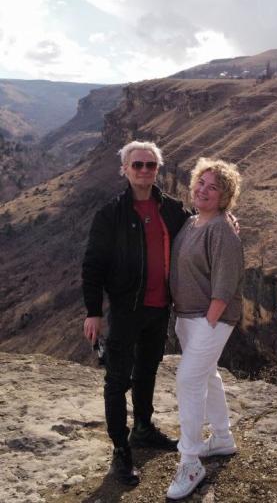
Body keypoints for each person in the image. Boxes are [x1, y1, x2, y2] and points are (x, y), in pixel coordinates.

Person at [82, 140, 191, 486]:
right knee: (117, 380)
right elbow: (93, 265)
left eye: (150, 165)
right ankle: (120, 449)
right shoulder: (110, 214)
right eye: (137, 164)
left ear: (158, 170)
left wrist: (225, 217)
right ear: (125, 170)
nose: (144, 170)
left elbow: (199, 226)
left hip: (160, 309)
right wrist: (93, 312)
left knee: (147, 370)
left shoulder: (172, 209)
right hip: (126, 310)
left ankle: (143, 428)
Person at [167, 158, 244, 500]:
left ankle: (190, 461)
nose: (204, 190)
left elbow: (226, 283)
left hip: (209, 318)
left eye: (214, 187)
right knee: (207, 375)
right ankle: (223, 439)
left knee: (188, 379)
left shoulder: (222, 229)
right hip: (187, 317)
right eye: (201, 182)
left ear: (225, 197)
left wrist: (210, 322)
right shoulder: (192, 222)